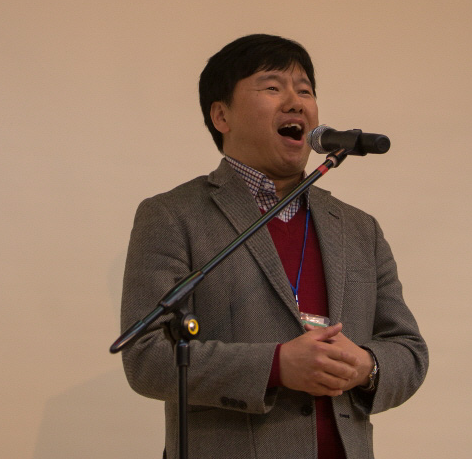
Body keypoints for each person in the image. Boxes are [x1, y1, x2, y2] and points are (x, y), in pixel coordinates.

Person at [119, 34, 428, 459]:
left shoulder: (359, 229)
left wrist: (366, 366)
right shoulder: (174, 215)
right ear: (221, 115)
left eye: (305, 90)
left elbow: (408, 350)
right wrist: (276, 366)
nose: (296, 102)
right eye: (272, 87)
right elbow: (145, 357)